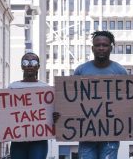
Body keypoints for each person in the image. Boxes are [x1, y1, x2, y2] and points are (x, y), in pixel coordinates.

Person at [54, 30, 127, 159]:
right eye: (98, 45)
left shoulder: (120, 71)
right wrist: (62, 114)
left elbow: (127, 101)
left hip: (111, 133)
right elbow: (71, 100)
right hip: (86, 133)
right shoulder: (81, 70)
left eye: (105, 45)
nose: (101, 48)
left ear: (111, 48)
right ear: (92, 48)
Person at [6, 52, 49, 159]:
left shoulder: (45, 88)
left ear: (38, 66)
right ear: (21, 66)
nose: (29, 65)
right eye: (25, 62)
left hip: (39, 139)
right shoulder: (13, 87)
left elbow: (50, 111)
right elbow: (5, 110)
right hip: (18, 139)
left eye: (33, 62)